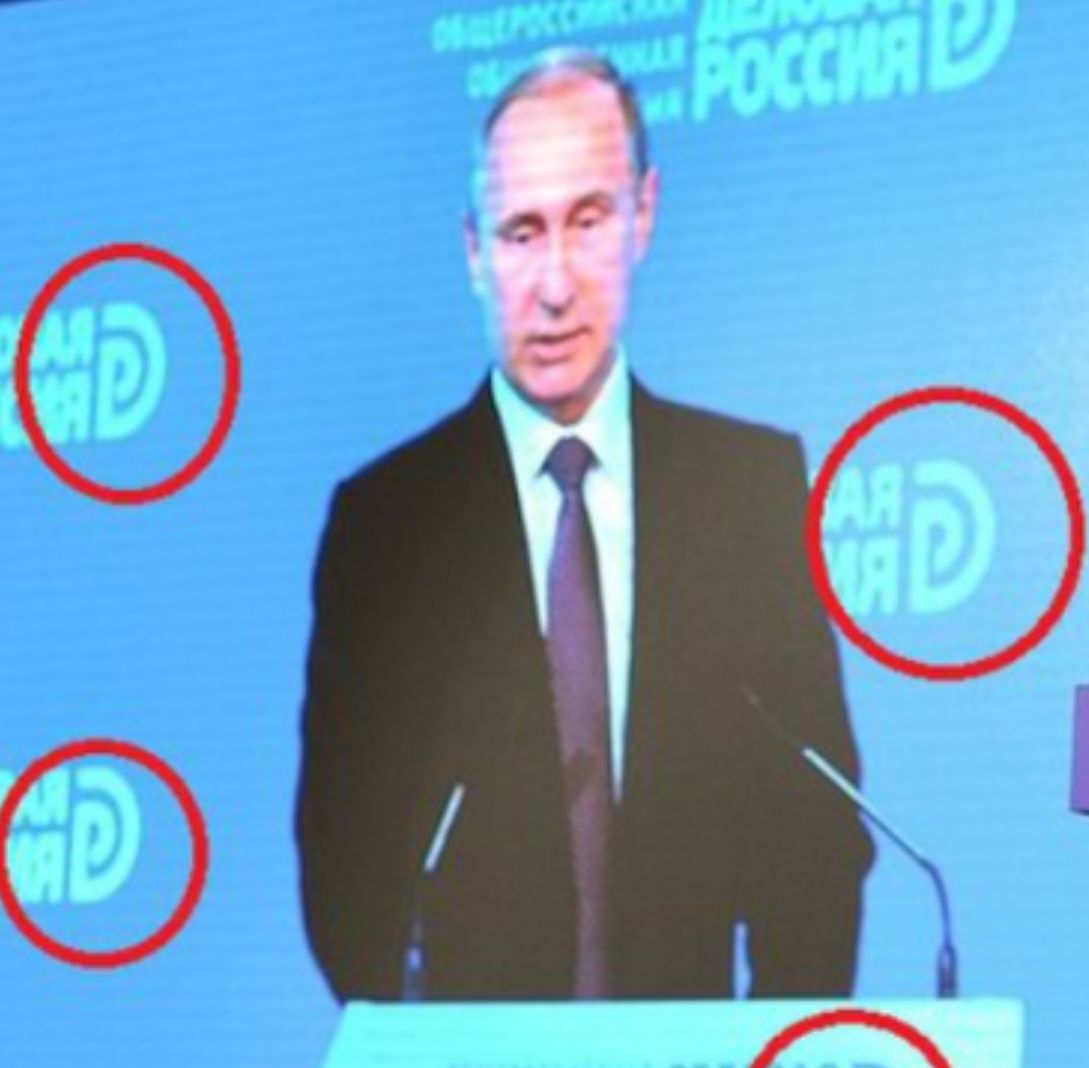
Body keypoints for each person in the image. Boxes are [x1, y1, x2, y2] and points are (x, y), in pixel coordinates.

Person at [295, 49, 872, 1002]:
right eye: (521, 233)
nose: (555, 285)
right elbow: (341, 863)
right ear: (473, 251)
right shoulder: (387, 525)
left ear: (643, 214)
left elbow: (814, 839)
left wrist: (772, 1055)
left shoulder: (746, 488)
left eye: (588, 220)